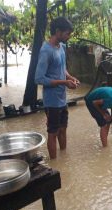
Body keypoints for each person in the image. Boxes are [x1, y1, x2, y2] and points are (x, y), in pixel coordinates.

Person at [35, 17, 80, 159]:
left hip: (62, 98)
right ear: (58, 31)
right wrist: (64, 83)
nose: (68, 36)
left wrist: (70, 77)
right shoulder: (46, 51)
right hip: (51, 101)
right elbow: (39, 79)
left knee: (63, 129)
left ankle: (64, 159)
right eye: (67, 33)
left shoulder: (61, 47)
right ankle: (55, 165)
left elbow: (62, 68)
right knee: (53, 132)